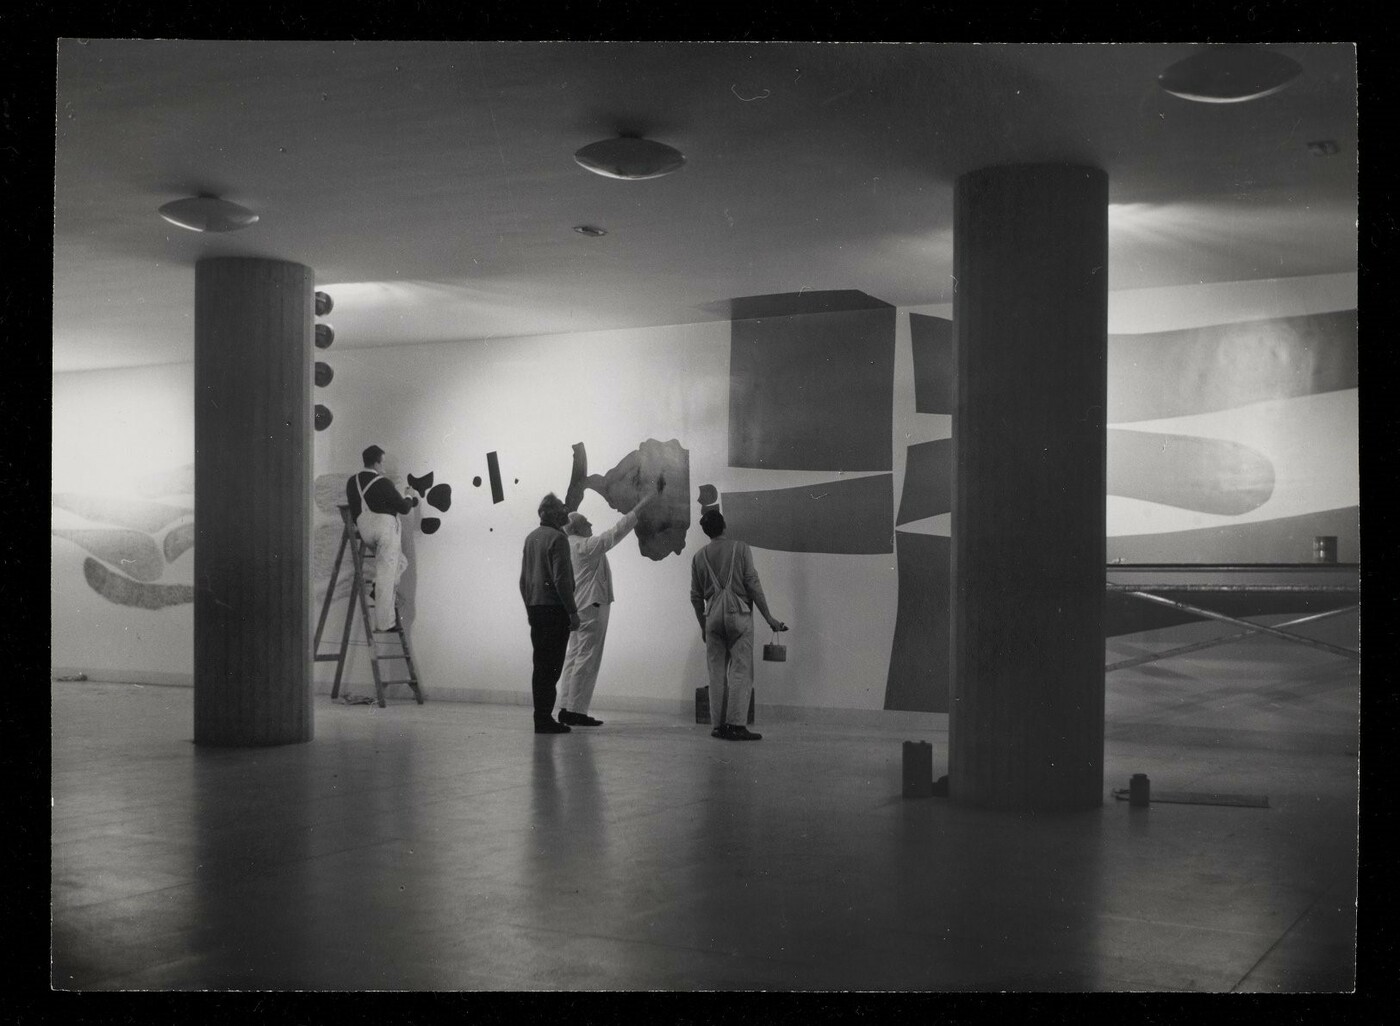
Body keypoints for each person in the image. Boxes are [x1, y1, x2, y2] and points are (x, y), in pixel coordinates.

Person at [556, 482, 663, 726]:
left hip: (576, 607)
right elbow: (616, 532)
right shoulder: (585, 546)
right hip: (591, 606)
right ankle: (576, 711)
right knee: (587, 658)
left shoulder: (567, 547)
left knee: (574, 656)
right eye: (587, 523)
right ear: (576, 527)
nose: (591, 526)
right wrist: (643, 503)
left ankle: (566, 707)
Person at [689, 508, 788, 741]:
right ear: (724, 526)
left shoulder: (698, 557)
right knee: (741, 671)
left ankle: (717, 726)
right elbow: (752, 584)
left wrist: (703, 625)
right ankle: (736, 725)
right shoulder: (740, 548)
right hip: (738, 615)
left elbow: (695, 596)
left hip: (712, 617)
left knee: (715, 673)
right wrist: (769, 618)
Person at [520, 493, 582, 734]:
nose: (565, 514)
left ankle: (541, 716)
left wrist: (529, 607)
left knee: (540, 664)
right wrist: (573, 612)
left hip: (536, 609)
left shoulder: (531, 538)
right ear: (554, 514)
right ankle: (544, 718)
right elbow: (562, 580)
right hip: (555, 610)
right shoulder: (558, 538)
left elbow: (523, 580)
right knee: (553, 666)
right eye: (562, 511)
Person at [346, 445, 418, 632]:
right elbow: (403, 508)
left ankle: (376, 587)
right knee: (387, 573)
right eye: (383, 462)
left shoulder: (352, 482)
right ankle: (385, 624)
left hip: (365, 531)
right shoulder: (382, 482)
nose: (384, 467)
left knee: (400, 562)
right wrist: (410, 496)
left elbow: (355, 511)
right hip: (384, 530)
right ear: (376, 462)